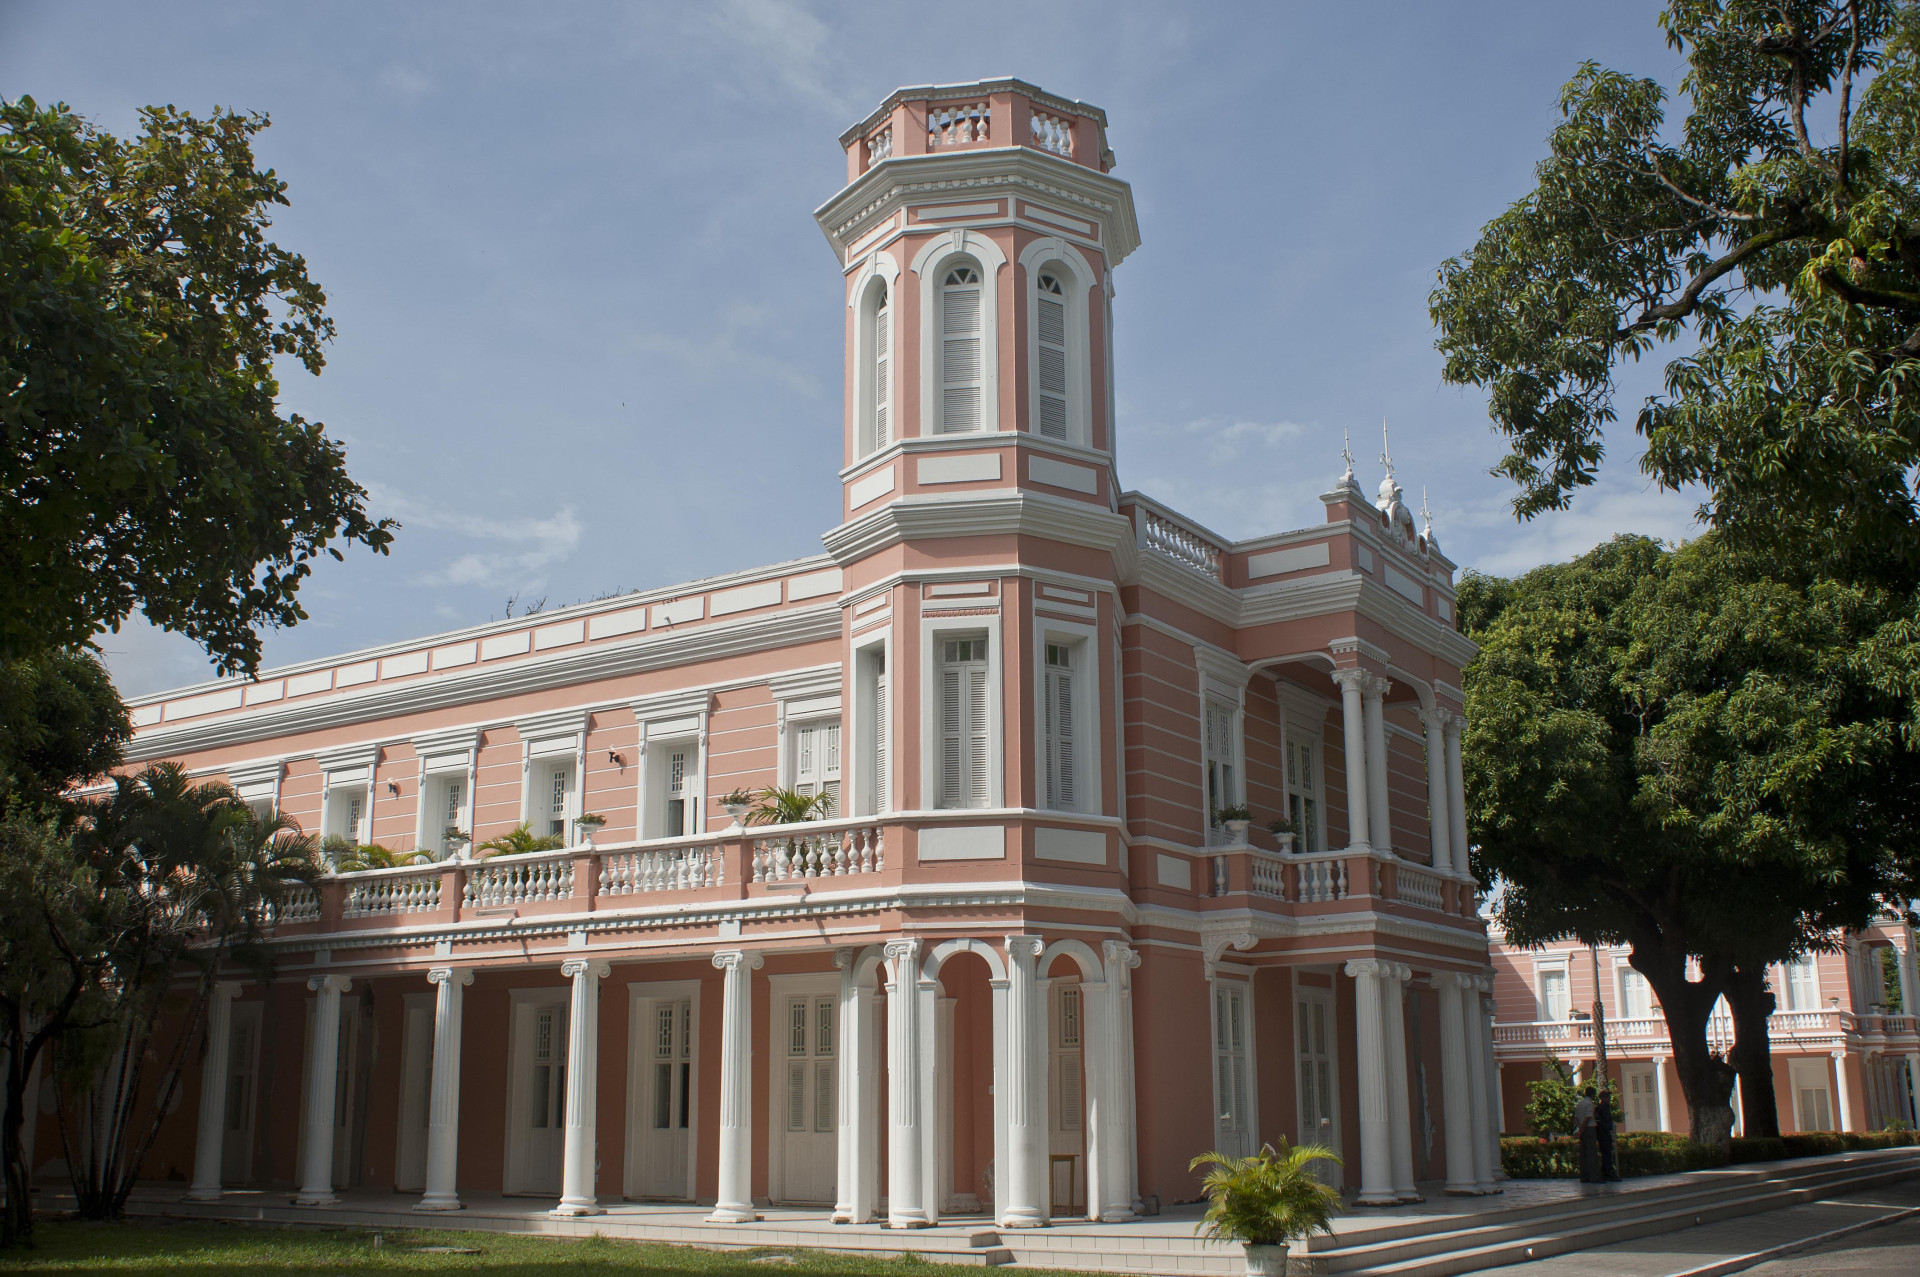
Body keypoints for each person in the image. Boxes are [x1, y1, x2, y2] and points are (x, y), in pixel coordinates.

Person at [1595, 1083, 1621, 1181]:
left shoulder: (1605, 1107)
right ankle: (1608, 1173)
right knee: (1606, 1154)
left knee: (1608, 1154)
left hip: (1606, 1133)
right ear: (1603, 1098)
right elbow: (1600, 1121)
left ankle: (1607, 1172)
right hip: (1604, 1134)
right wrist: (1606, 1129)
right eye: (1607, 1096)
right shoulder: (1601, 1107)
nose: (1609, 1098)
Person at [1574, 1085, 1599, 1183]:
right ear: (1592, 1094)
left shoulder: (1579, 1104)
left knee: (1583, 1153)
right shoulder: (1590, 1104)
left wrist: (1580, 1128)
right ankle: (1593, 1176)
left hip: (1582, 1128)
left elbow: (1576, 1119)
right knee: (1591, 1153)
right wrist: (1582, 1129)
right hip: (1589, 1129)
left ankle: (1584, 1176)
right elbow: (1588, 1118)